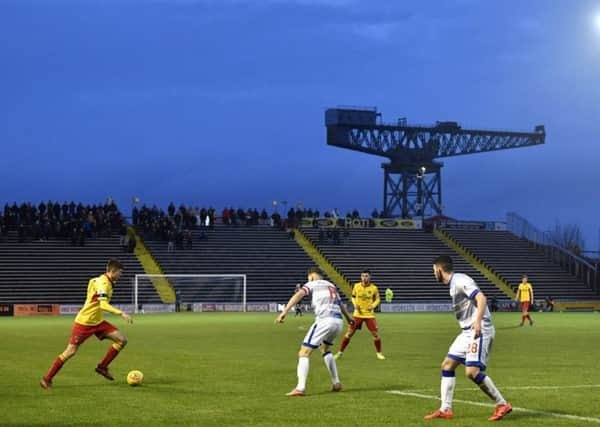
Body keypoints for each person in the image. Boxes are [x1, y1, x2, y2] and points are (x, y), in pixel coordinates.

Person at [424, 255, 512, 421]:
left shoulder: (460, 280)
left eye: (434, 270)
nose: (434, 273)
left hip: (479, 330)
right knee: (447, 365)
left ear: (440, 269)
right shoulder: (452, 284)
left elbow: (481, 298)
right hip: (466, 332)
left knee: (472, 372)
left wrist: (478, 322)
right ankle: (445, 409)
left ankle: (502, 404)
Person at [40, 259, 133, 389]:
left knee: (122, 340)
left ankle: (102, 367)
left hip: (98, 321)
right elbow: (103, 304)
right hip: (85, 322)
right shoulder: (103, 283)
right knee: (70, 351)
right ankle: (47, 379)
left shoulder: (100, 280)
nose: (121, 275)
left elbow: (91, 286)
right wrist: (121, 313)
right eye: (120, 272)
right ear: (113, 271)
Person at [275, 267, 354, 396]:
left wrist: (284, 312)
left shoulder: (312, 283)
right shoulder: (331, 285)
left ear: (311, 277)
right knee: (325, 350)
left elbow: (298, 295)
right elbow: (340, 303)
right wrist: (348, 318)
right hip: (338, 321)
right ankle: (336, 383)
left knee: (304, 352)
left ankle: (300, 388)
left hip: (324, 320)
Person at [334, 270, 385, 360]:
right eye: (363, 276)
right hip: (357, 314)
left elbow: (377, 299)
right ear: (361, 277)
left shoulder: (374, 288)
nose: (364, 277)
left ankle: (379, 353)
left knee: (375, 334)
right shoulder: (356, 286)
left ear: (369, 277)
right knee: (349, 333)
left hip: (369, 315)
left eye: (366, 276)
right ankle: (340, 353)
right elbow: (353, 297)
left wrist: (372, 306)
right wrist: (354, 304)